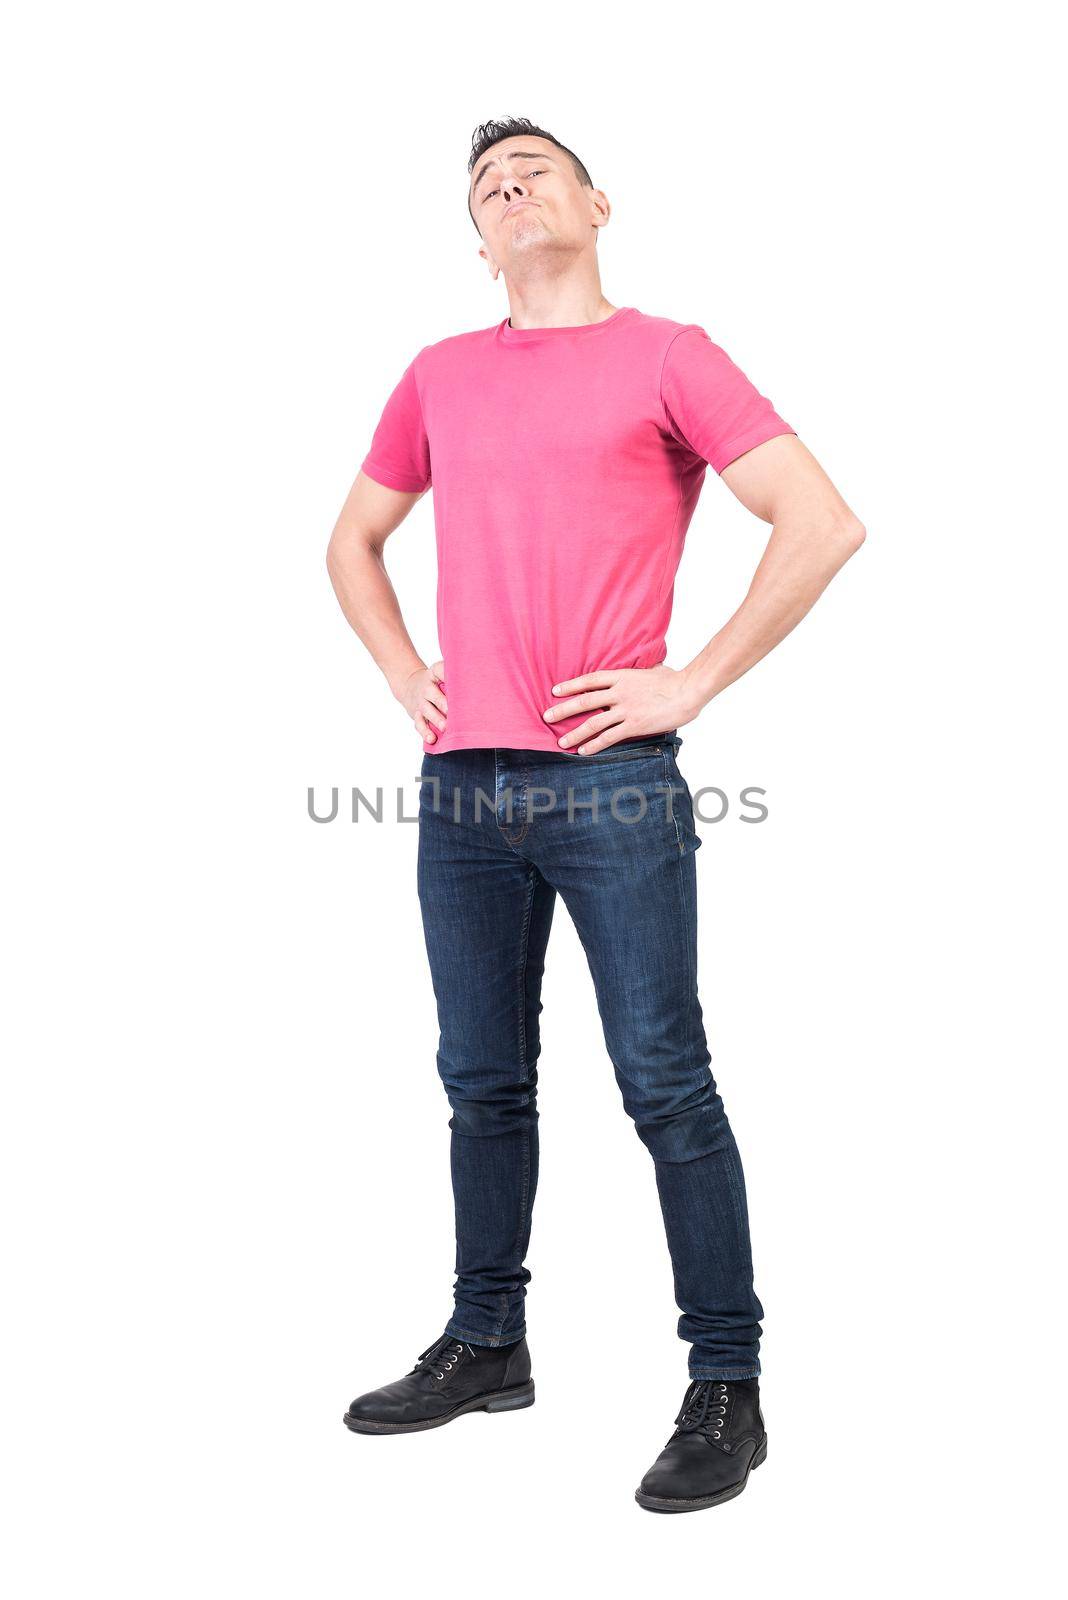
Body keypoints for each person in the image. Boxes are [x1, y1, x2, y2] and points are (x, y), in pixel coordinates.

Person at [326, 117, 865, 1512]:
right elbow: (352, 539)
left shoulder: (671, 354)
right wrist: (404, 675)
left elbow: (818, 520)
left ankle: (728, 1386)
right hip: (461, 791)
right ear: (477, 235)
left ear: (598, 204)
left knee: (665, 1080)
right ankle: (487, 1342)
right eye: (485, 186)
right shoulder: (439, 375)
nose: (509, 190)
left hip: (612, 782)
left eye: (535, 172)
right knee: (479, 1081)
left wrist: (689, 681)